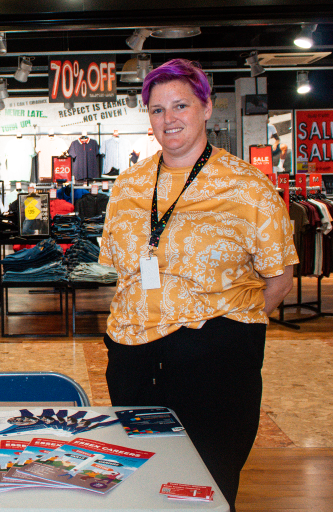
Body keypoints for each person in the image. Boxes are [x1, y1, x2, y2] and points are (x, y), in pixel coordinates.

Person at [98, 59, 297, 512]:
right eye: (156, 109)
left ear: (206, 108)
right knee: (142, 478)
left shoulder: (247, 187)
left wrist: (225, 328)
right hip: (132, 357)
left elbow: (280, 279)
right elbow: (125, 272)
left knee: (208, 484)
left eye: (180, 105)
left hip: (214, 362)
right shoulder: (127, 186)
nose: (168, 119)